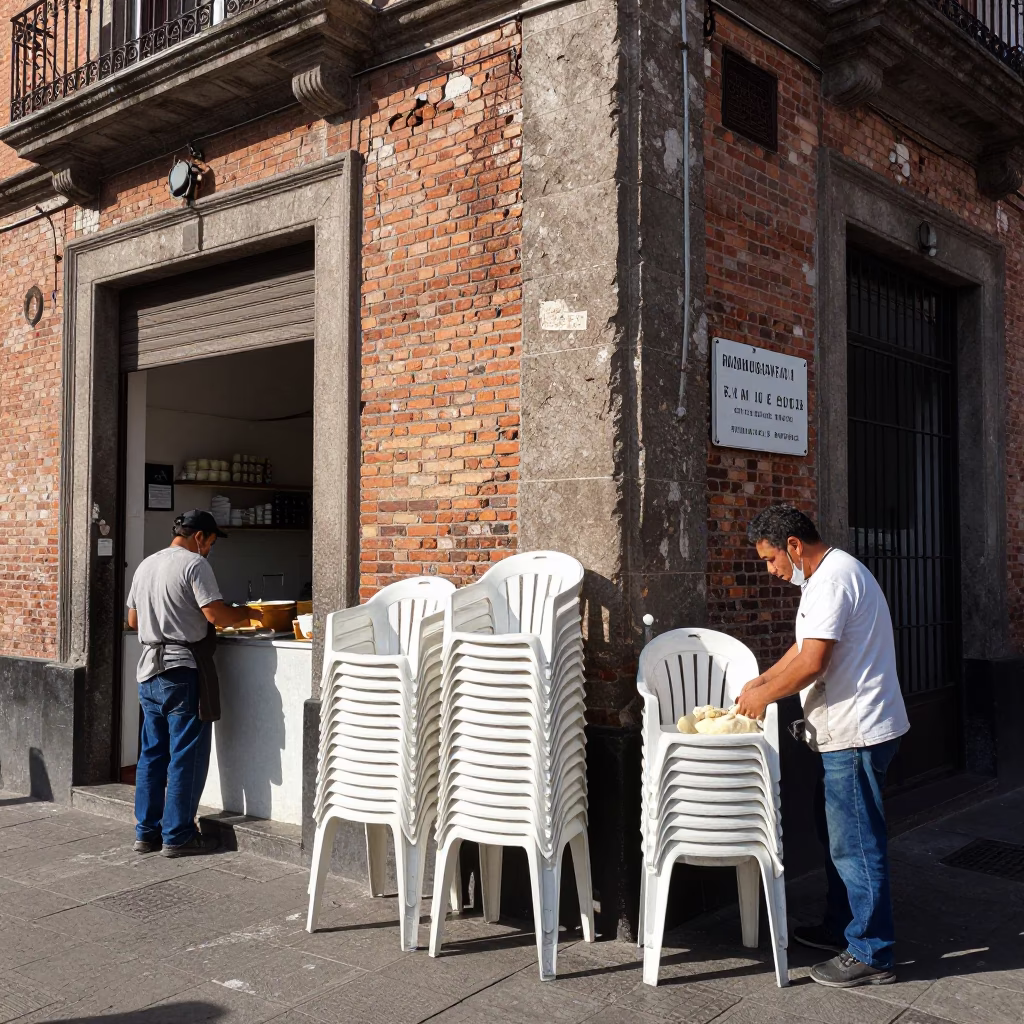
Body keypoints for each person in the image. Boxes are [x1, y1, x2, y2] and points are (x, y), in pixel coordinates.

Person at [735, 504, 909, 989]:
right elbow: (802, 647)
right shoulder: (823, 577)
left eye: (771, 558)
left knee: (855, 844)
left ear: (793, 545)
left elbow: (813, 662)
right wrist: (762, 680)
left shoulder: (832, 579)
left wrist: (763, 698)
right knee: (839, 837)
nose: (771, 570)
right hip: (844, 734)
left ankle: (871, 951)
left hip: (855, 734)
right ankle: (841, 926)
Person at [126, 509, 258, 857]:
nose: (209, 550)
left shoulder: (146, 565)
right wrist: (248, 614)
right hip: (182, 671)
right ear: (199, 536)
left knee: (152, 755)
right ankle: (179, 835)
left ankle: (146, 833)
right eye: (210, 543)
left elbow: (133, 620)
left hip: (148, 673)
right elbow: (215, 614)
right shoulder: (194, 564)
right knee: (186, 756)